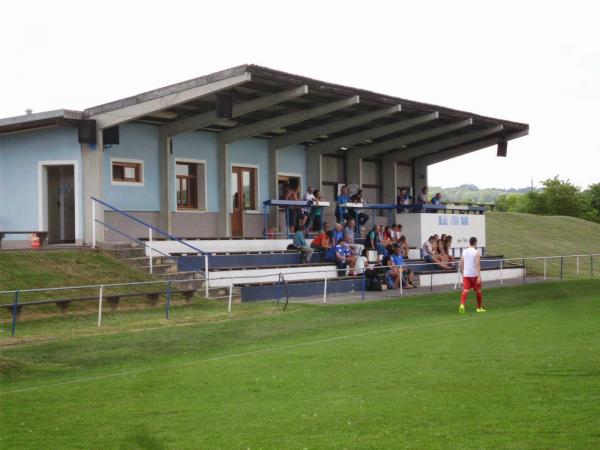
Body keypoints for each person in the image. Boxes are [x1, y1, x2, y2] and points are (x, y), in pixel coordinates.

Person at [459, 236, 485, 314]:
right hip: (474, 275)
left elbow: (461, 264)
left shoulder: (464, 251)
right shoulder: (476, 252)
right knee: (478, 291)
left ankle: (462, 305)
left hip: (466, 275)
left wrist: (463, 274)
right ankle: (479, 308)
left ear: (469, 242)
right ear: (475, 243)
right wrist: (479, 276)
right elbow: (477, 265)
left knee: (465, 290)